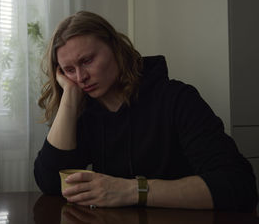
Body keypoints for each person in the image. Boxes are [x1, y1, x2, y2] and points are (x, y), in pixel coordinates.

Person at [33, 11, 258, 211]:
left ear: (115, 47)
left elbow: (239, 186)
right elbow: (51, 184)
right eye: (69, 70)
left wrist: (131, 191)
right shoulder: (84, 113)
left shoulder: (177, 99)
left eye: (88, 60)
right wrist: (70, 98)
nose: (81, 77)